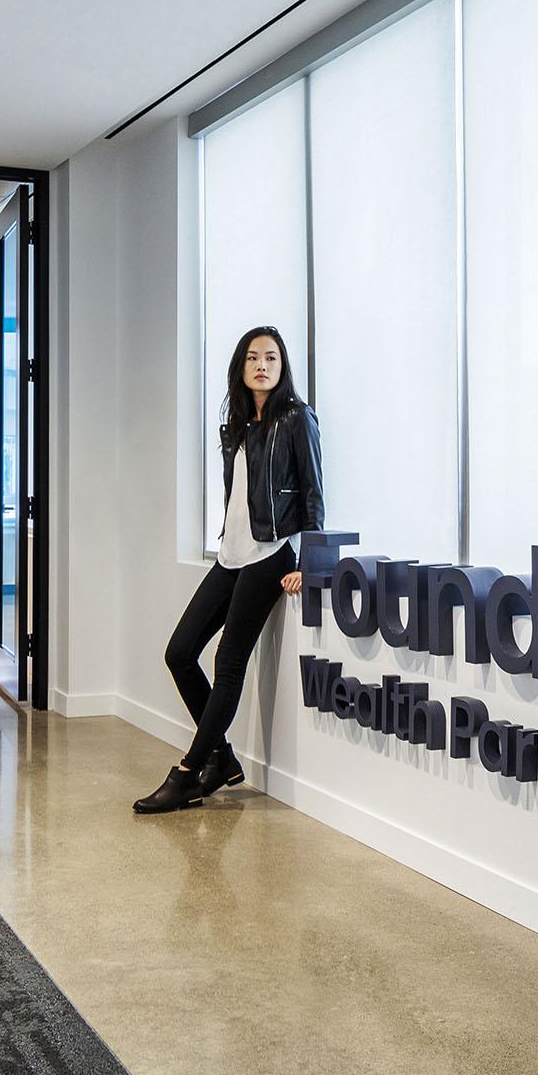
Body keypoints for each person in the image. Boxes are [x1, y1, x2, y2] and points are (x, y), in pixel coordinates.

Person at [133, 325, 324, 814]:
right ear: (241, 367)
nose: (262, 365)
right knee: (180, 652)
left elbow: (312, 496)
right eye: (254, 358)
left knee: (228, 662)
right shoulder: (236, 425)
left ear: (282, 369)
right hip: (232, 555)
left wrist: (308, 561)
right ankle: (221, 757)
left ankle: (186, 772)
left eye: (272, 359)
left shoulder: (297, 419)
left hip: (270, 554)